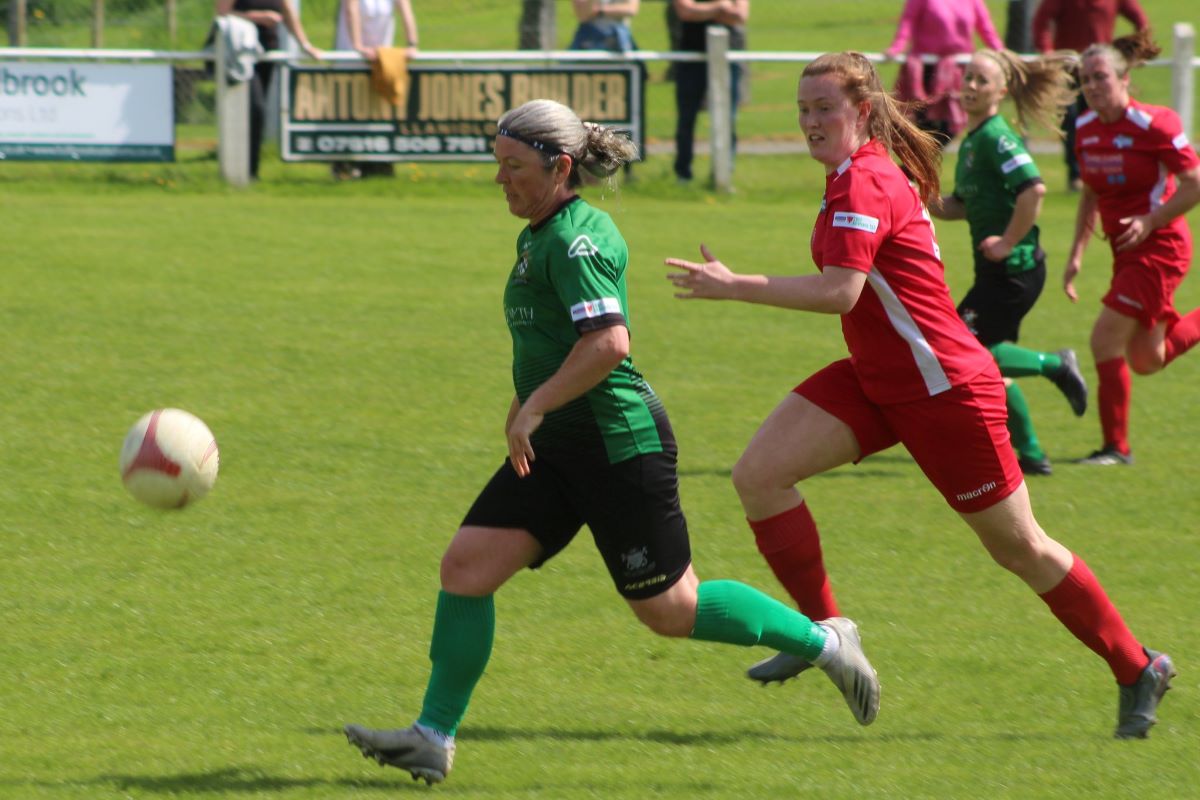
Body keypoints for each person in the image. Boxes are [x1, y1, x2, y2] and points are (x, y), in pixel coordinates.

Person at [342, 99, 880, 785]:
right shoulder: (537, 232)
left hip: (616, 443)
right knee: (466, 569)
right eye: (497, 164)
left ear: (560, 166)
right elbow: (553, 343)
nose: (499, 179)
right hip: (556, 444)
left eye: (513, 167)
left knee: (670, 609)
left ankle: (826, 641)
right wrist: (524, 407)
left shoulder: (578, 239)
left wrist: (532, 406)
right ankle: (432, 735)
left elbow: (607, 343)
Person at [665, 51, 1173, 739]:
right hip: (881, 377)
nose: (812, 122)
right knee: (760, 475)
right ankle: (830, 634)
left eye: (825, 109)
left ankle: (1135, 664)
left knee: (1022, 547)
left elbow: (840, 291)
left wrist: (737, 285)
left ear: (862, 112)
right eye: (803, 110)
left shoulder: (864, 180)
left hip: (945, 391)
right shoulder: (852, 172)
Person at [929, 48, 1088, 476]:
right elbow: (961, 205)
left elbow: (1033, 190)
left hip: (1014, 269)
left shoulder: (998, 137)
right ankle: (1033, 456)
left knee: (959, 346)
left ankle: (1056, 365)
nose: (972, 87)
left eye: (982, 80)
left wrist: (1007, 241)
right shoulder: (972, 142)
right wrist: (918, 196)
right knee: (990, 365)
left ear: (1001, 90)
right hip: (998, 270)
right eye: (968, 78)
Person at [1063, 31, 1200, 465]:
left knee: (1103, 340)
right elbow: (1090, 194)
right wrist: (1076, 255)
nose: (1092, 86)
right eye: (1085, 80)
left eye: (1100, 77)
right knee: (1146, 358)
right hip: (1125, 253)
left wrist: (1150, 220)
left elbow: (1195, 182)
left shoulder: (1154, 123)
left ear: (1124, 79)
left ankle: (1115, 450)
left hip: (1160, 248)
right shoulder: (1084, 128)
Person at [1032, 0, 1149, 192]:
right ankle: (1077, 174)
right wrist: (1048, 54)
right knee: (1070, 121)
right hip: (1068, 68)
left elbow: (1139, 19)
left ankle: (1103, 171)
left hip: (1101, 69)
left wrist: (1135, 49)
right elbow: (1041, 22)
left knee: (1099, 120)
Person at [217, 0, 322, 179]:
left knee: (257, 114)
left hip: (268, 51)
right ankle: (239, 171)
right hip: (239, 54)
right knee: (255, 108)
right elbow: (222, 15)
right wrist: (256, 17)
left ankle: (251, 172)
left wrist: (305, 44)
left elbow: (289, 13)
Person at [884, 0, 1002, 147]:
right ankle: (916, 165)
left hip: (958, 72)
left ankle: (918, 165)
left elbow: (986, 27)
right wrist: (896, 47)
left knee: (950, 125)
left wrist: (1001, 53)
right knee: (922, 126)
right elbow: (908, 22)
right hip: (927, 72)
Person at [331, 0, 419, 179]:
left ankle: (378, 165)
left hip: (380, 63)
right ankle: (345, 165)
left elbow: (405, 10)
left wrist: (412, 43)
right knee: (349, 115)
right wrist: (358, 46)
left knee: (378, 112)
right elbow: (351, 10)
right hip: (351, 63)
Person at [670, 0, 750, 184]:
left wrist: (701, 11)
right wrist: (720, 8)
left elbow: (740, 16)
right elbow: (685, 12)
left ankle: (724, 173)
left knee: (727, 117)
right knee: (686, 118)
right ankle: (683, 173)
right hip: (691, 56)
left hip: (728, 55)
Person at [569, 0, 639, 52]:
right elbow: (583, 16)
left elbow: (631, 9)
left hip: (619, 38)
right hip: (589, 37)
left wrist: (601, 10)